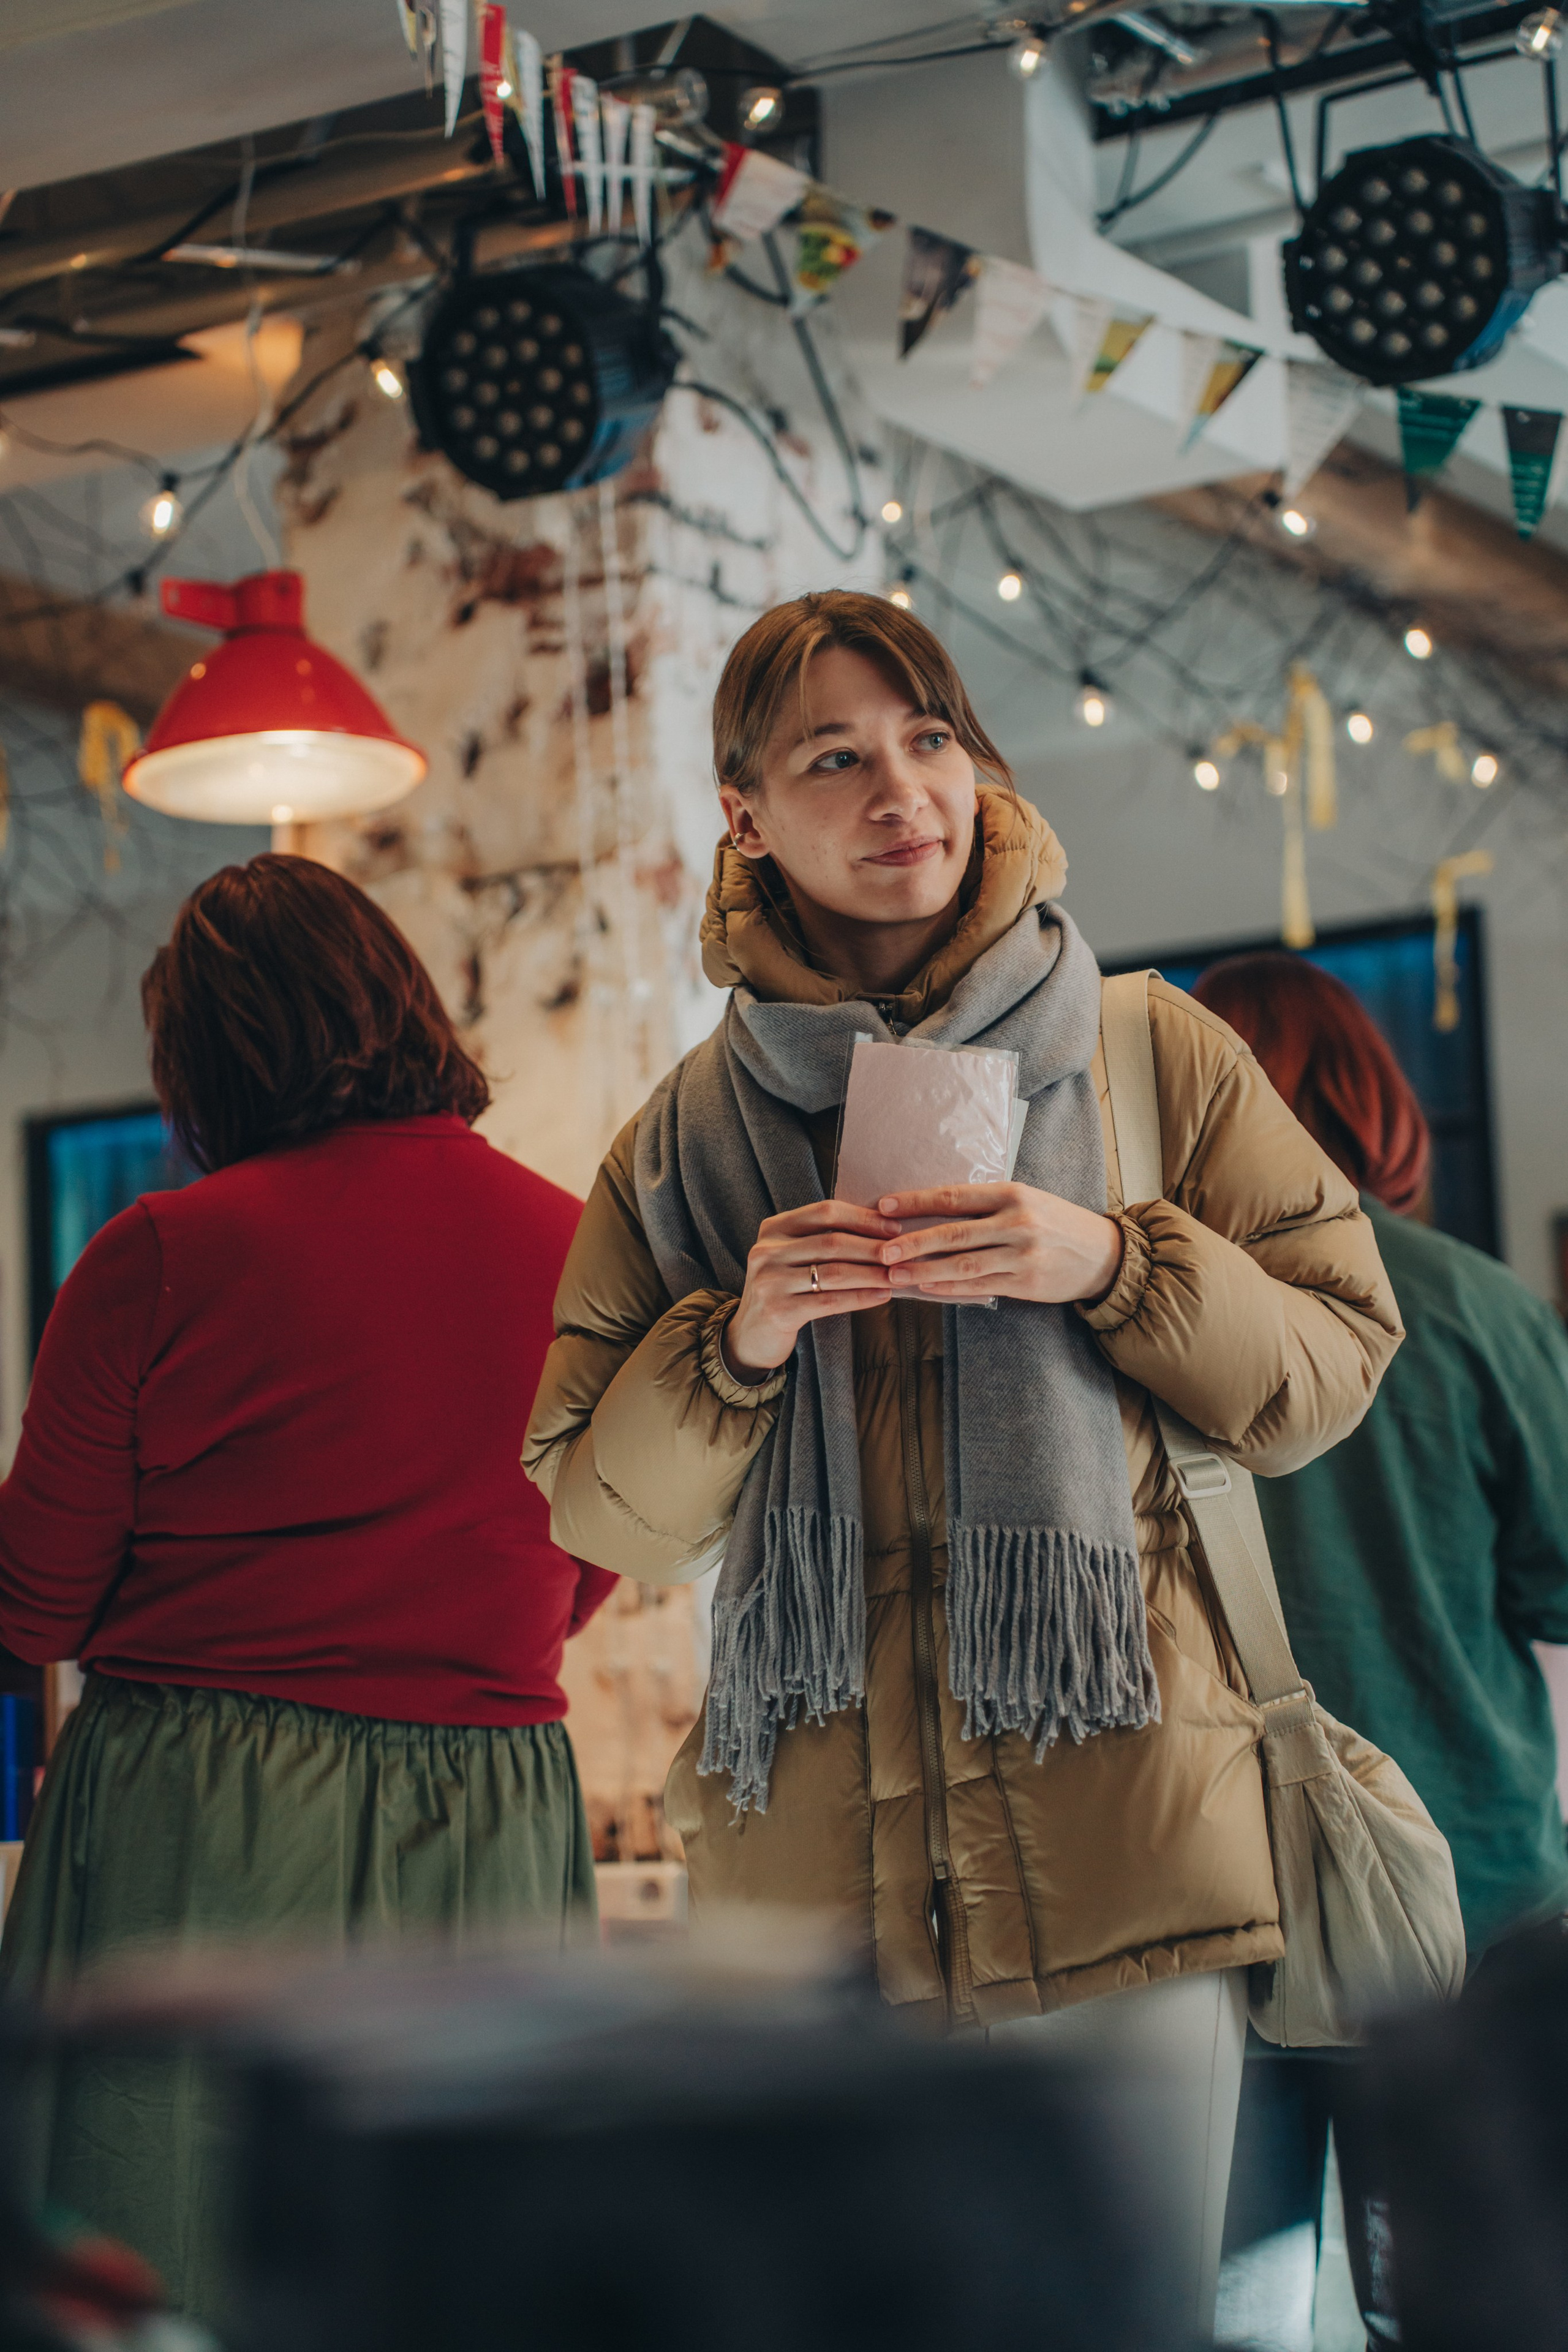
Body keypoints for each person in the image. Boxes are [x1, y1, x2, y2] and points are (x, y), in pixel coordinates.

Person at [524, 590, 1403, 2336]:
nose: (899, 791)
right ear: (745, 817)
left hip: (1133, 1854)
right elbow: (602, 1513)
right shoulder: (683, 1140)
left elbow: (1329, 1367)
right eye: (833, 758)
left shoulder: (1149, 1050)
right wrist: (739, 1342)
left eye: (928, 737)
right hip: (812, 1922)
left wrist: (1113, 1262)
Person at [0, 853, 612, 2324]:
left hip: (200, 1816)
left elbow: (36, 1608)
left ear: (205, 1057)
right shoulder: (581, 1254)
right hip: (492, 1809)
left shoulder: (159, 1257)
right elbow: (588, 1560)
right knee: (462, 2271)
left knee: (165, 2265)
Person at [1194, 951, 1568, 2351]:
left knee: (1234, 2315)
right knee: (1463, 2310)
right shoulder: (1471, 1306)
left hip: (1209, 1903)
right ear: (1374, 1101)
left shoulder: (1135, 1327)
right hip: (1460, 1891)